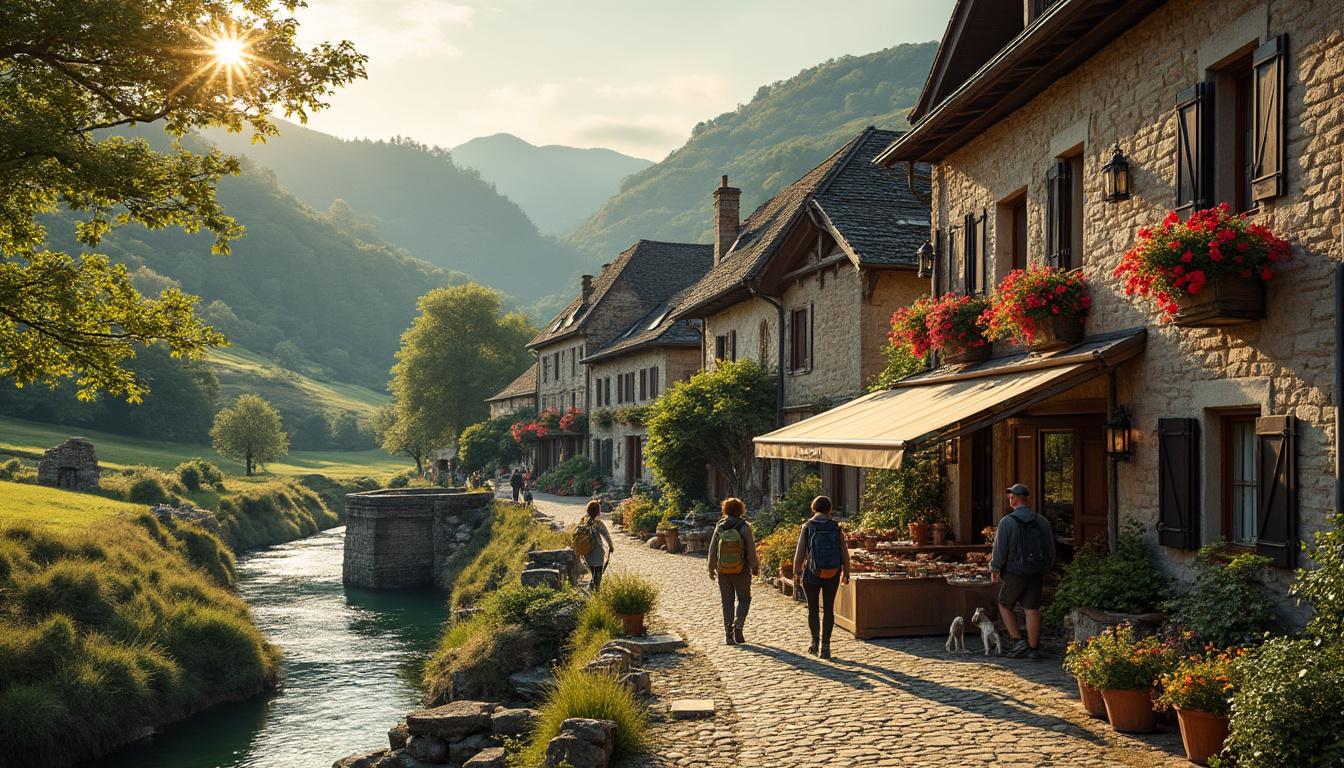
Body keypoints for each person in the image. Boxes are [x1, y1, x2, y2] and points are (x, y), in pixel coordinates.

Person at [990, 483, 1056, 660]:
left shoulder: (1007, 522)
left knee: (1004, 604)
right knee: (1032, 608)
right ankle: (1034, 649)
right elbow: (1050, 548)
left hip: (1014, 571)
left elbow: (999, 549)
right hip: (1036, 570)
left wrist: (995, 568)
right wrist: (1047, 566)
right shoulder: (1041, 521)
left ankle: (1018, 641)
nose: (1009, 500)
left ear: (1015, 498)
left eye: (1010, 497)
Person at [793, 495, 850, 659]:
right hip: (832, 572)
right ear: (829, 509)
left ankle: (815, 643)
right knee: (828, 609)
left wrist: (796, 573)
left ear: (813, 508)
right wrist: (846, 572)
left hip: (812, 573)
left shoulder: (808, 525)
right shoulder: (835, 526)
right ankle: (826, 647)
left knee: (813, 609)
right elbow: (843, 552)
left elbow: (800, 552)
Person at [707, 497, 760, 646]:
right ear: (741, 510)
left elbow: (712, 550)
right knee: (744, 599)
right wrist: (755, 567)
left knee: (727, 602)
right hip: (741, 569)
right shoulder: (744, 526)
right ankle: (739, 625)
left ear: (725, 510)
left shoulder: (720, 526)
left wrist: (711, 568)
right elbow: (751, 549)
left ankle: (728, 635)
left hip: (723, 570)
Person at [578, 500, 615, 590]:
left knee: (593, 572)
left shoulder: (583, 521)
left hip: (586, 551)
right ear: (598, 511)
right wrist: (611, 546)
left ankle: (591, 589)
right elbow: (606, 535)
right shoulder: (598, 523)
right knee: (597, 575)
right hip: (597, 551)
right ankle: (594, 592)